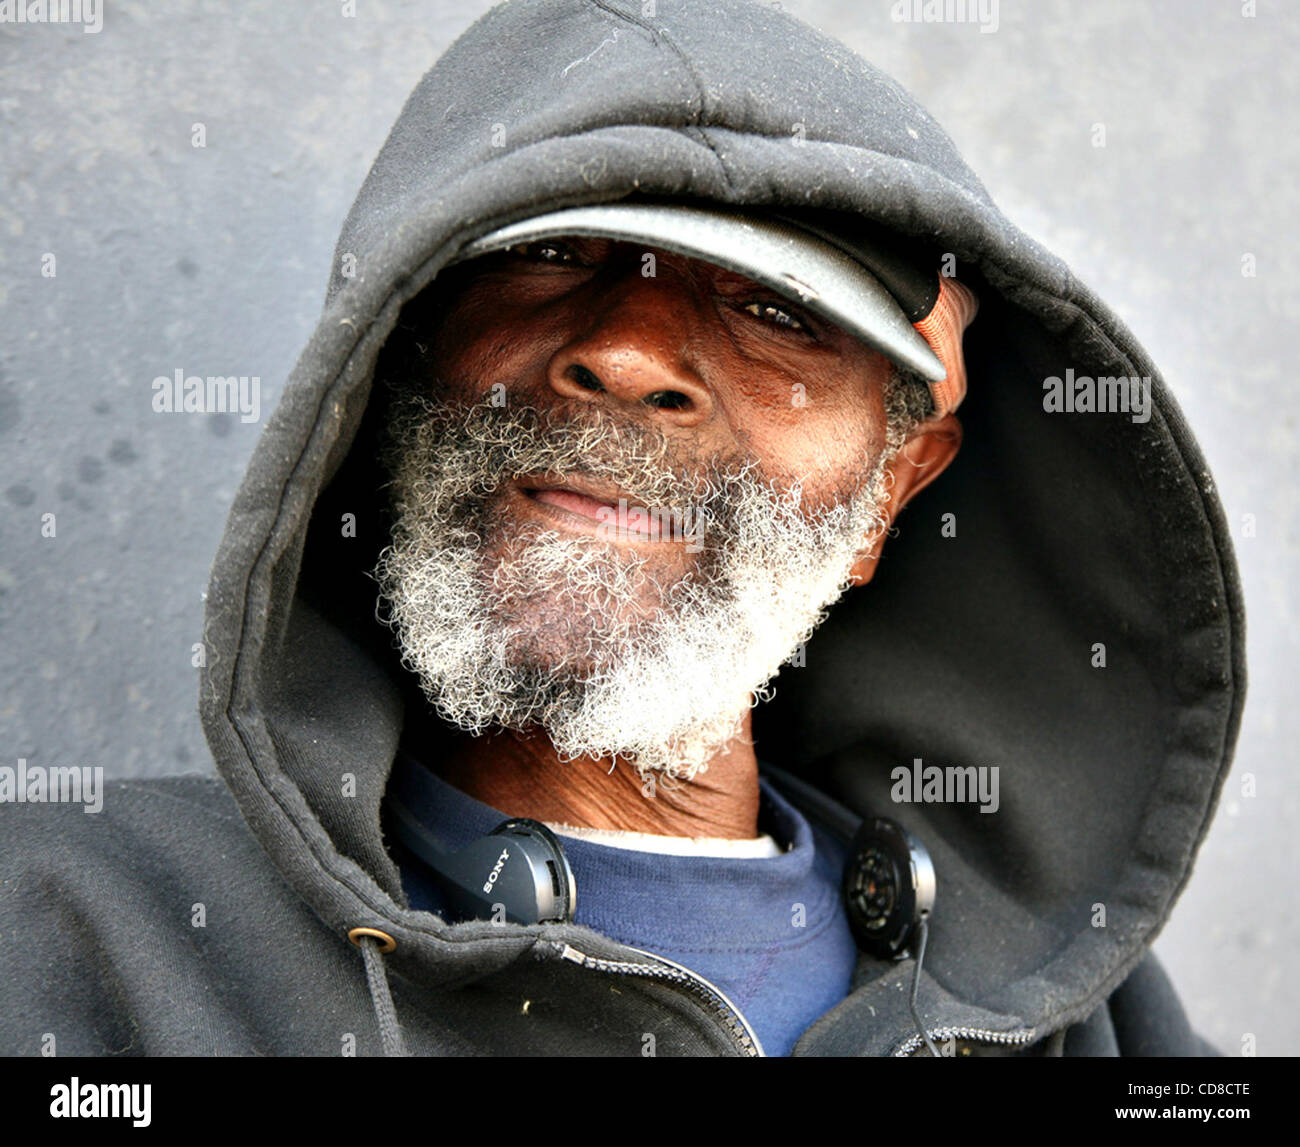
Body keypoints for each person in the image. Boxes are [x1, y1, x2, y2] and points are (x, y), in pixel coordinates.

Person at [0, 0, 1243, 1058]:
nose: (630, 350)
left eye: (774, 308)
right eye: (551, 252)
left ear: (893, 491)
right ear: (383, 372)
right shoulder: (70, 937)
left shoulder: (1084, 1018)